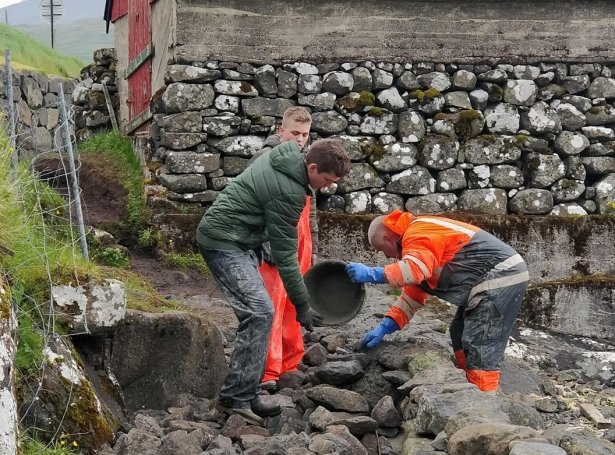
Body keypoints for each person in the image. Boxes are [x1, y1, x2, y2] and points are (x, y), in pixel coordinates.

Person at [197, 138, 350, 425]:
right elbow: (286, 255)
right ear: (313, 167)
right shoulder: (289, 191)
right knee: (259, 312)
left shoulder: (287, 154)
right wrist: (302, 304)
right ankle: (234, 399)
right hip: (224, 242)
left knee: (261, 312)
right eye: (327, 180)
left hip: (242, 239)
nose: (328, 186)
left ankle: (247, 389)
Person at [345, 210, 529, 392]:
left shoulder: (417, 233)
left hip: (502, 275)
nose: (385, 256)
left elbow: (413, 271)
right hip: (494, 277)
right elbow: (412, 294)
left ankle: (484, 405)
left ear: (387, 238)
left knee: (480, 343)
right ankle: (468, 385)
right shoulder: (416, 245)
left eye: (380, 249)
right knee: (459, 332)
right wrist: (385, 326)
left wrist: (371, 274)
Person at [249, 107, 317, 389]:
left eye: (304, 134)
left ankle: (289, 361)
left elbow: (311, 212)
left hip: (300, 243)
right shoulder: (264, 159)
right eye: (294, 133)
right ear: (281, 131)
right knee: (271, 307)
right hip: (273, 246)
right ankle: (267, 370)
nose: (299, 139)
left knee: (293, 304)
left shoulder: (307, 163)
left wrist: (313, 248)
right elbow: (251, 203)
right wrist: (263, 243)